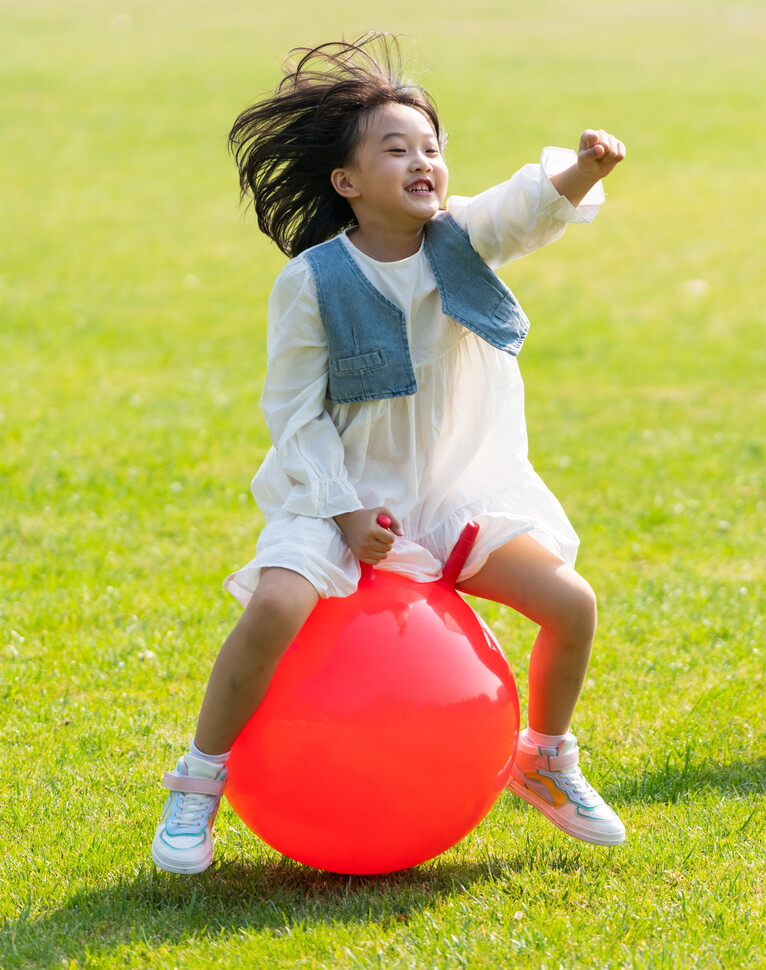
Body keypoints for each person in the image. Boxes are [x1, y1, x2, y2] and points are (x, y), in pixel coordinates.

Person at [151, 34, 627, 875]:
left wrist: (582, 172)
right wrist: (338, 506)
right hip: (337, 493)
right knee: (272, 607)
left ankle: (544, 759)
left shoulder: (460, 240)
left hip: (449, 494)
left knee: (573, 605)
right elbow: (293, 414)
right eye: (396, 148)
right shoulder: (312, 281)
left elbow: (520, 211)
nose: (424, 162)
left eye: (433, 148)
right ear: (347, 182)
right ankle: (200, 778)